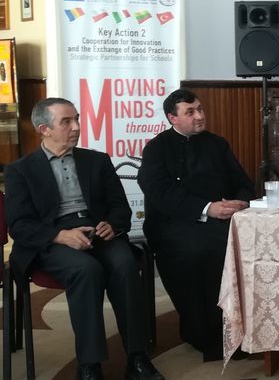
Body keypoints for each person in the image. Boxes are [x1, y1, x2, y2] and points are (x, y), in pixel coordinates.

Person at [6, 98, 163, 380]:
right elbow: (19, 224)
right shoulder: (21, 170)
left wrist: (113, 225)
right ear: (44, 129)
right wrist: (59, 236)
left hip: (97, 230)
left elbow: (119, 206)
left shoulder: (97, 160)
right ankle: (90, 364)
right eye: (66, 121)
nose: (76, 127)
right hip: (52, 238)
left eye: (77, 119)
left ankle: (137, 357)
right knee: (86, 269)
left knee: (125, 265)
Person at [138, 88, 254, 362]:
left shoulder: (217, 144)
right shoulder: (157, 148)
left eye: (200, 109)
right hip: (175, 222)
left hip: (223, 217)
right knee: (204, 250)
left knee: (249, 243)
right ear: (172, 118)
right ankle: (208, 336)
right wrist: (207, 209)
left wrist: (239, 202)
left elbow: (242, 182)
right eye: (190, 112)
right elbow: (160, 193)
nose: (199, 115)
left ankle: (248, 329)